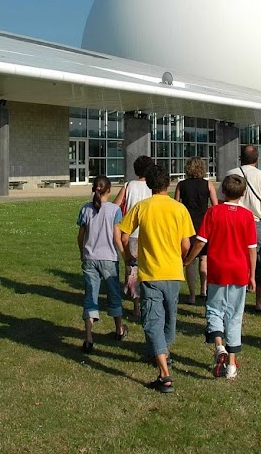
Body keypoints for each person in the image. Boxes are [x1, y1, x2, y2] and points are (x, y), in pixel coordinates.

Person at [118, 164, 195, 394]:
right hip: (173, 272)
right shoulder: (179, 209)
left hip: (151, 272)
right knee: (169, 317)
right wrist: (183, 259)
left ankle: (164, 370)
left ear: (149, 184)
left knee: (152, 320)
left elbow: (123, 236)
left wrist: (129, 256)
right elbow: (186, 244)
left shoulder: (142, 207)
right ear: (169, 183)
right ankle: (164, 363)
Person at [184, 174, 257, 379]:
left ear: (223, 192)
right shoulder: (247, 216)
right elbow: (252, 249)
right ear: (243, 194)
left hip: (217, 269)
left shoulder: (214, 212)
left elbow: (200, 241)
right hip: (239, 270)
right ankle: (231, 365)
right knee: (234, 315)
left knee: (214, 309)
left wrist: (189, 259)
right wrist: (252, 275)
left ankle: (219, 346)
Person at [76, 175, 128, 352]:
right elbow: (116, 237)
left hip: (90, 257)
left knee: (90, 295)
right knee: (114, 294)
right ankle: (119, 328)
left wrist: (82, 253)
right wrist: (125, 256)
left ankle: (88, 337)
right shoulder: (115, 210)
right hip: (109, 258)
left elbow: (80, 236)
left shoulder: (86, 209)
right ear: (109, 190)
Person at [225, 145, 261, 313]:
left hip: (232, 221)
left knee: (234, 258)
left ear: (241, 158)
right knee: (260, 261)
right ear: (257, 159)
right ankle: (258, 300)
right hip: (256, 223)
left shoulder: (231, 174)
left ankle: (233, 297)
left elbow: (220, 200)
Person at [113, 155, 155, 318]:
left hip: (130, 232)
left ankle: (136, 303)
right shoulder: (153, 187)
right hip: (149, 232)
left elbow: (115, 206)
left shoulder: (129, 185)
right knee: (148, 267)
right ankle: (147, 300)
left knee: (132, 268)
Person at [174, 156, 218, 305]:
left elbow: (176, 205)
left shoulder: (181, 185)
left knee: (190, 261)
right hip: (205, 224)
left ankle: (192, 295)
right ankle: (203, 290)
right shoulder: (208, 185)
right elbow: (215, 206)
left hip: (187, 225)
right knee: (204, 259)